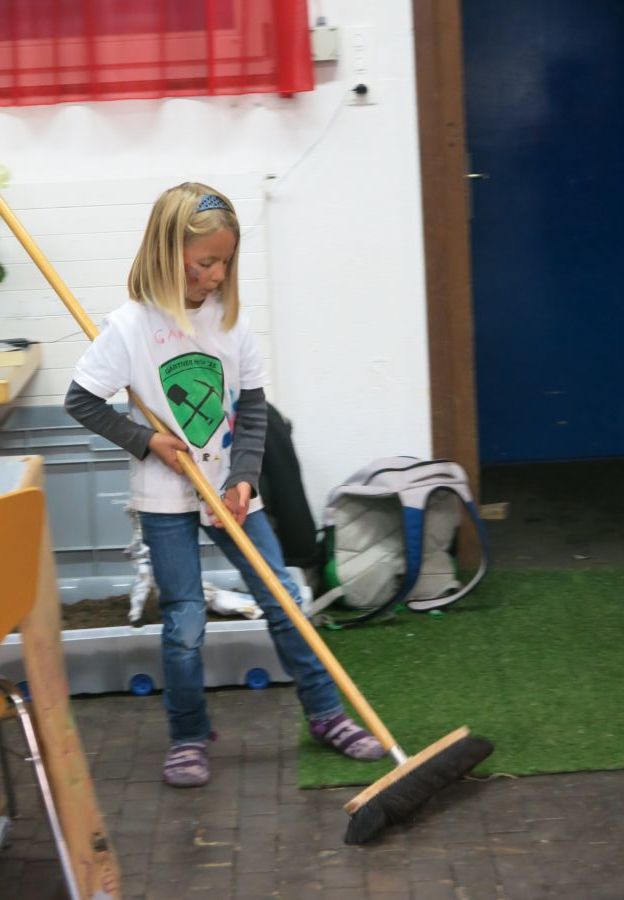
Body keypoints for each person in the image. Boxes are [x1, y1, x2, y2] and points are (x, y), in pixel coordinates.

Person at [65, 182, 385, 787]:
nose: (216, 275)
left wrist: (243, 477)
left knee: (284, 601)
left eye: (225, 262)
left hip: (232, 491)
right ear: (168, 253)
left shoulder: (231, 323)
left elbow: (254, 410)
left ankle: (326, 714)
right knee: (185, 621)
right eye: (205, 262)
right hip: (165, 498)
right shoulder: (129, 328)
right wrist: (147, 440)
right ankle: (189, 734)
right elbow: (81, 402)